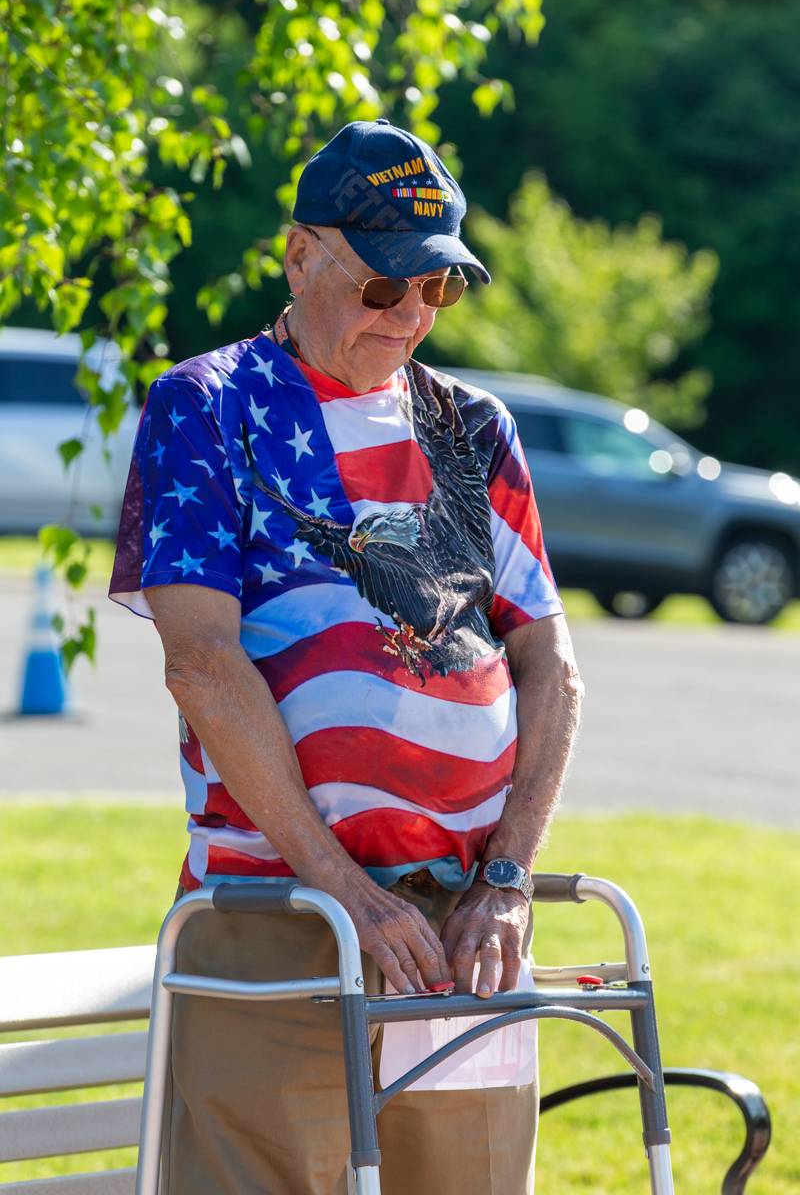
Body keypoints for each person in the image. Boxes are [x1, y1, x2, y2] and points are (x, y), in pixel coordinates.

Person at [110, 118, 584, 1194]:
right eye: (384, 287)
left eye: (438, 290)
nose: (412, 313)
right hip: (282, 910)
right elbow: (202, 666)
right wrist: (344, 890)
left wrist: (504, 880)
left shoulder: (471, 425)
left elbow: (549, 664)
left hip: (460, 928)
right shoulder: (210, 403)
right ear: (298, 256)